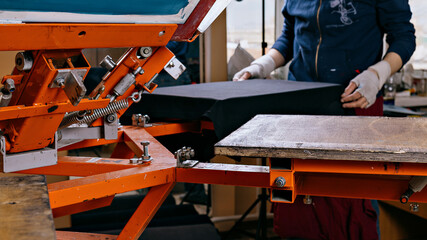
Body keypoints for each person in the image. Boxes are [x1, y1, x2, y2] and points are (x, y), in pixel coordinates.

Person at [233, 0, 415, 239]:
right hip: (300, 111)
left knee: (353, 201)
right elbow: (290, 37)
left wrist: (377, 74)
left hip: (354, 105)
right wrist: (262, 65)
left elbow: (404, 38)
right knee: (295, 197)